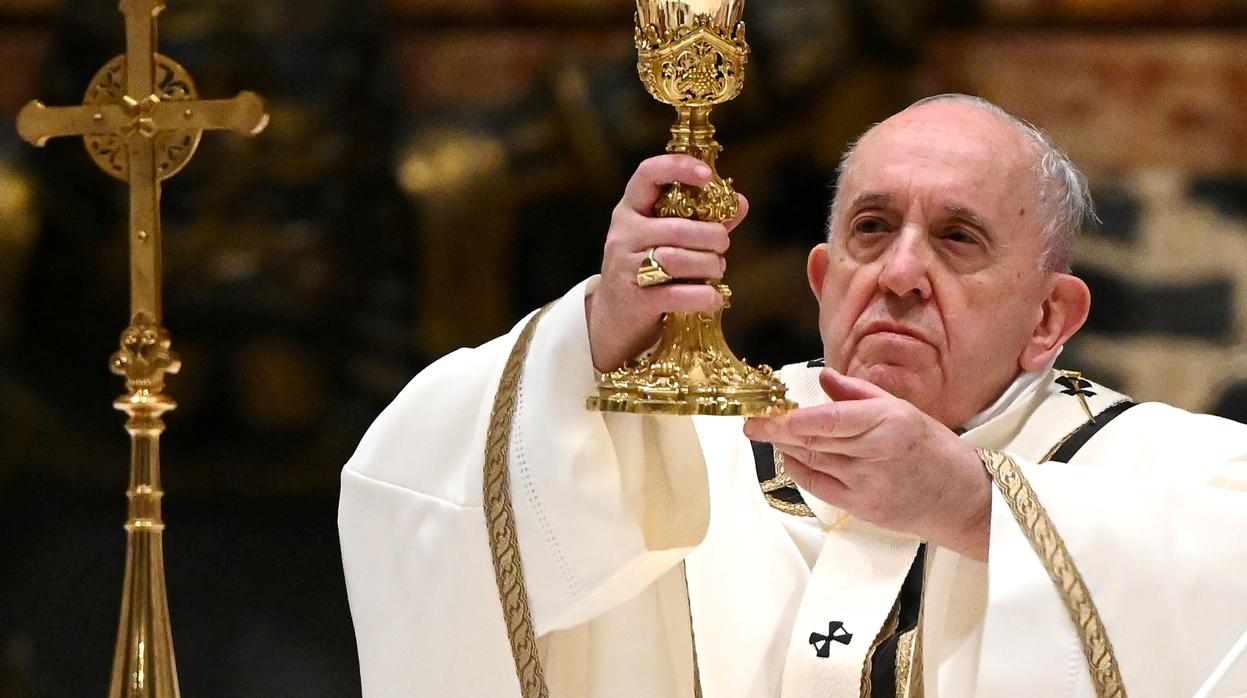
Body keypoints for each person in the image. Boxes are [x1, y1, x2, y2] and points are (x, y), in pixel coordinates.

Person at [337, 94, 1247, 697]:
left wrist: (976, 506)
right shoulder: (685, 448)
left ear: (1051, 316)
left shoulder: (1171, 473)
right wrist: (600, 327)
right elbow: (420, 494)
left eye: (957, 239)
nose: (898, 274)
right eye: (871, 228)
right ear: (820, 279)